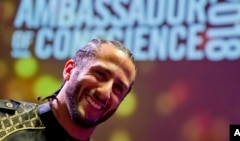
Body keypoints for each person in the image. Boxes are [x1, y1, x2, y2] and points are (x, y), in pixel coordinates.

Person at [0, 38, 137, 141]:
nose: (105, 93)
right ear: (69, 70)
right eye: (100, 74)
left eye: (118, 88)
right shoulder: (4, 122)